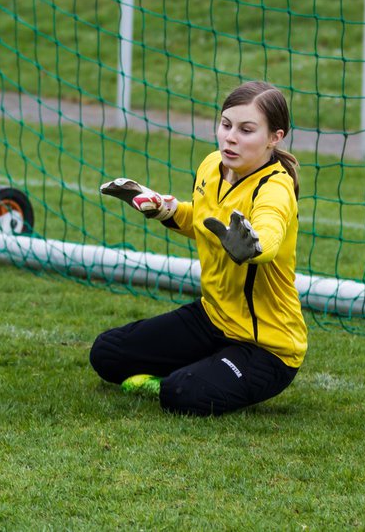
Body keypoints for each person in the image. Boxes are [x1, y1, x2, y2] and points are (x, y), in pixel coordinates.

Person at [90, 81, 306, 415]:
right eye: (226, 125)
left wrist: (250, 248)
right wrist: (166, 209)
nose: (231, 137)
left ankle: (189, 376)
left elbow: (269, 239)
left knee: (181, 392)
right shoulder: (211, 165)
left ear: (275, 137)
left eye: (247, 130)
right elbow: (206, 223)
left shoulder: (275, 188)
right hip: (212, 318)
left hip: (267, 345)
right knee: (107, 353)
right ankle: (203, 365)